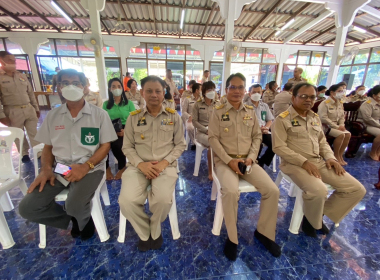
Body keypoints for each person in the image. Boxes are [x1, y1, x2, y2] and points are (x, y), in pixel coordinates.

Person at [18, 69, 117, 240]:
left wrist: (86, 167)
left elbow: (105, 146)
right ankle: (75, 218)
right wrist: (46, 169)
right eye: (64, 83)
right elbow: (47, 147)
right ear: (58, 88)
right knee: (28, 207)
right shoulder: (53, 116)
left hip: (91, 168)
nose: (70, 86)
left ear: (85, 87)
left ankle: (81, 218)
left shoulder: (99, 115)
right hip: (61, 167)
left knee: (75, 204)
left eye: (76, 83)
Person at [272, 82, 366, 238]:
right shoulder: (282, 119)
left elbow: (322, 142)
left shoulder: (314, 117)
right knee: (318, 190)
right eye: (303, 96)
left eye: (312, 97)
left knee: (356, 189)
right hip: (294, 164)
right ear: (293, 97)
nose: (308, 100)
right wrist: (303, 162)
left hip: (318, 162)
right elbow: (279, 147)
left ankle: (316, 215)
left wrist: (331, 158)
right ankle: (312, 223)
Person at [208, 73, 281, 260]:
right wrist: (229, 160)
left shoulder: (250, 111)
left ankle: (264, 233)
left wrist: (251, 158)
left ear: (245, 90)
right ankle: (232, 238)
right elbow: (213, 139)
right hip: (225, 162)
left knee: (272, 190)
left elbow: (257, 136)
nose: (237, 91)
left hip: (248, 161)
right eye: (233, 87)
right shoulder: (217, 110)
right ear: (226, 90)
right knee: (231, 192)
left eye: (241, 87)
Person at [119, 75, 186, 251]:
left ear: (164, 93)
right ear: (142, 93)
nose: (154, 95)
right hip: (137, 167)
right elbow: (127, 147)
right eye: (149, 91)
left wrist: (165, 162)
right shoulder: (133, 118)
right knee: (126, 201)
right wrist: (141, 164)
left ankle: (155, 230)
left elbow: (180, 144)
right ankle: (144, 232)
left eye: (158, 91)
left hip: (165, 167)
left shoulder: (173, 117)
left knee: (163, 201)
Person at [0, 51, 40, 163]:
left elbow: (30, 93)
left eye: (14, 61)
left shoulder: (21, 76)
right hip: (12, 110)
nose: (13, 63)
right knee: (18, 133)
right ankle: (24, 154)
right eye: (9, 60)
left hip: (28, 108)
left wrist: (36, 108)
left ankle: (39, 153)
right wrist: (1, 115)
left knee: (34, 132)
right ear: (1, 61)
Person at [103, 78, 135, 180]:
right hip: (110, 128)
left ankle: (122, 167)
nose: (116, 88)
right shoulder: (106, 104)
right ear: (110, 89)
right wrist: (112, 132)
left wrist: (126, 132)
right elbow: (103, 120)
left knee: (118, 145)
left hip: (126, 128)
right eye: (113, 86)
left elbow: (134, 120)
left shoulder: (128, 103)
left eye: (119, 86)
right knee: (103, 145)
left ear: (122, 88)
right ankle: (107, 167)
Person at [318, 84, 351, 166]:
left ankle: (340, 155)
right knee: (341, 135)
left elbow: (342, 117)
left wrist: (342, 125)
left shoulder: (340, 103)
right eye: (339, 91)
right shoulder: (325, 103)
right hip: (326, 126)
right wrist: (337, 127)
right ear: (332, 93)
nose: (342, 93)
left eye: (342, 91)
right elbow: (323, 118)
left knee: (348, 134)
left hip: (338, 126)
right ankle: (335, 155)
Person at [192, 81, 219, 180]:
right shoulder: (197, 105)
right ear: (204, 92)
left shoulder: (218, 104)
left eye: (213, 89)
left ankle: (221, 169)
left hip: (216, 131)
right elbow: (194, 122)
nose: (212, 92)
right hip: (202, 133)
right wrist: (206, 130)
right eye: (209, 90)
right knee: (213, 143)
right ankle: (211, 172)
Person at [245, 84, 275, 168]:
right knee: (258, 144)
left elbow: (269, 120)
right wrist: (258, 130)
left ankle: (262, 162)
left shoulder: (264, 106)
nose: (256, 94)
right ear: (249, 94)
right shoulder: (245, 106)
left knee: (275, 143)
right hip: (251, 132)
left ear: (262, 93)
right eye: (254, 92)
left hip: (264, 131)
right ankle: (253, 161)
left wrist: (266, 127)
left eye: (259, 92)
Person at [357, 85, 380, 161]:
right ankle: (373, 152)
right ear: (374, 95)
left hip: (375, 124)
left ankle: (378, 152)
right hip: (365, 124)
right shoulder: (368, 103)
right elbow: (367, 119)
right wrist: (379, 125)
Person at [182, 83, 201, 150]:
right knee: (190, 128)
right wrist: (189, 116)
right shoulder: (187, 99)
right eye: (200, 89)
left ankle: (199, 142)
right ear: (197, 91)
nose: (202, 91)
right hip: (191, 118)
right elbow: (183, 112)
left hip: (200, 119)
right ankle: (194, 143)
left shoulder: (202, 100)